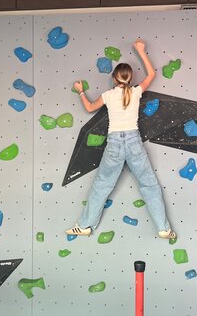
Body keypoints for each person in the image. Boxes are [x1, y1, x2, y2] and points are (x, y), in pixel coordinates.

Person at [65, 39, 176, 239]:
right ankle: (164, 229)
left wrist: (80, 90)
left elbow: (89, 108)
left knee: (102, 186)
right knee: (150, 185)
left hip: (114, 143)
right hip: (134, 142)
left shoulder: (108, 95)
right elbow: (152, 74)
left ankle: (85, 226)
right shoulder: (136, 92)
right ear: (130, 78)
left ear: (114, 79)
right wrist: (141, 50)